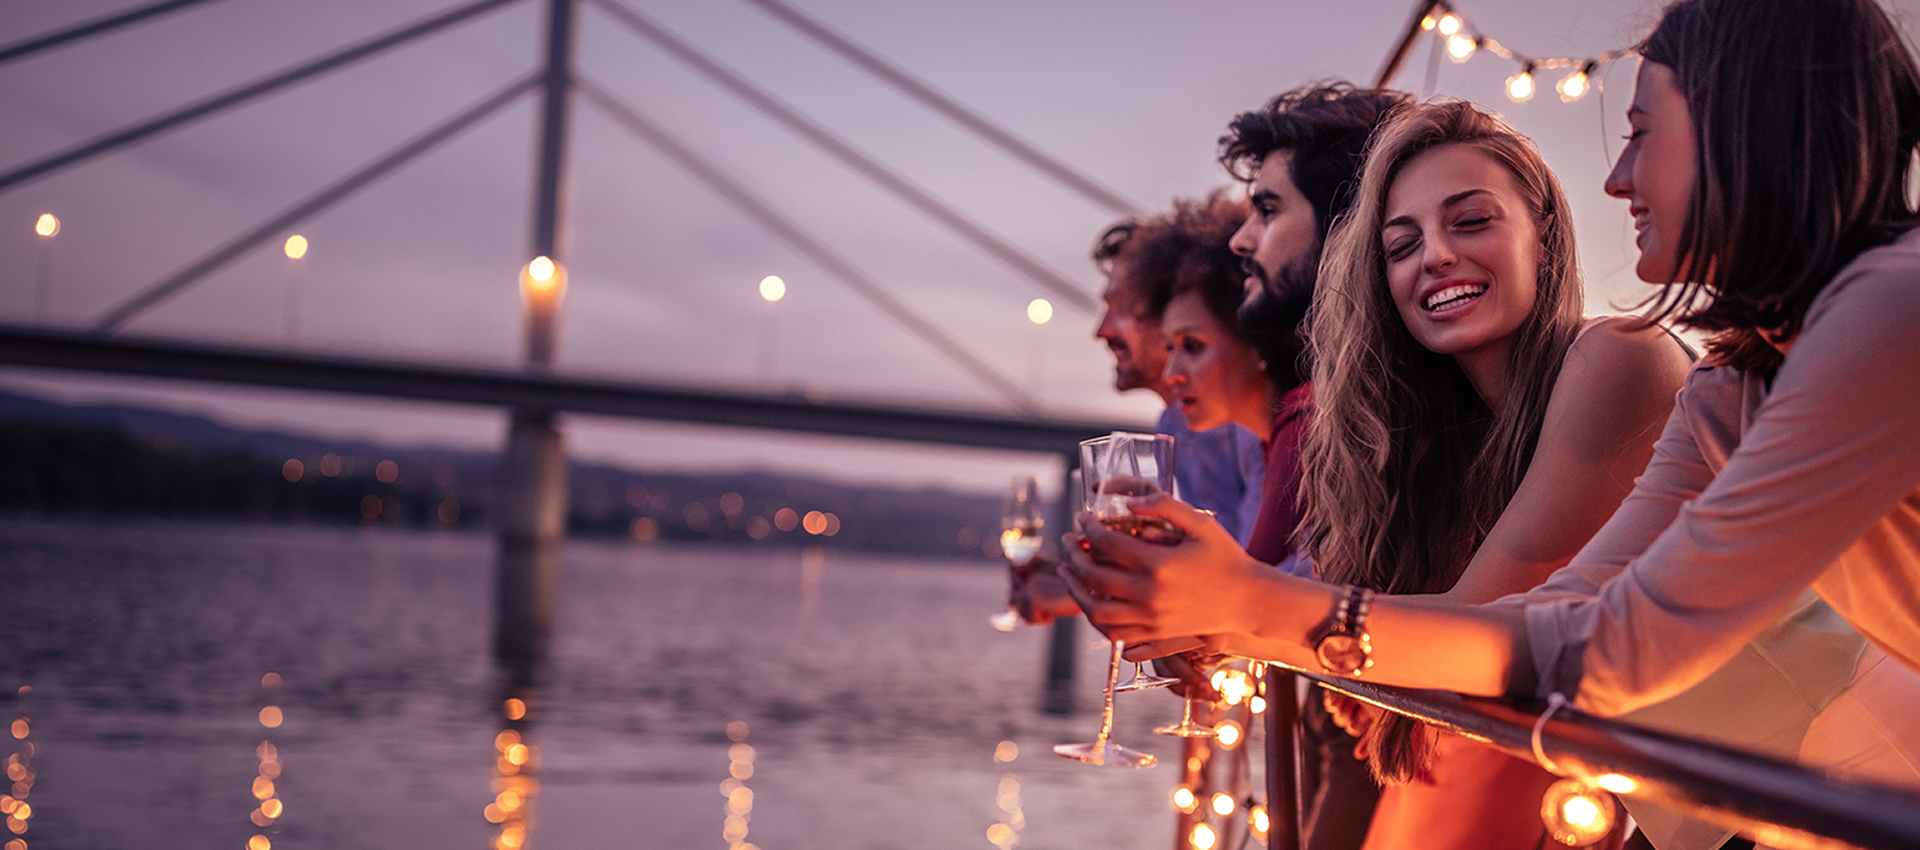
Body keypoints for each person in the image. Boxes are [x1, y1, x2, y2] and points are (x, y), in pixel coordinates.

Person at [1064, 0, 1920, 839]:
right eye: (1398, 246)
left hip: (1850, 772)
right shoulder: (1736, 381)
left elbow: (1604, 648)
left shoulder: (1879, 310)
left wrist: (1253, 609)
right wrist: (1239, 615)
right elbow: (1554, 619)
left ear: (1748, 129)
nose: (1618, 177)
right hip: (1753, 804)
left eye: (1641, 131)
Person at [1008, 200, 1265, 625]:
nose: (1101, 330)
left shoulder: (1256, 421)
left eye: (1121, 306)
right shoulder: (1173, 426)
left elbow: (1261, 580)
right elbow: (1231, 580)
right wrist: (1084, 585)